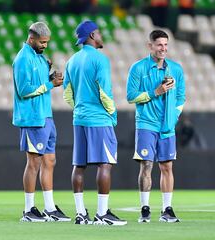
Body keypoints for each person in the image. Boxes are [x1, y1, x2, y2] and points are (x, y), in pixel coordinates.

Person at [63, 20, 127, 226]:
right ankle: (102, 214)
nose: (100, 36)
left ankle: (81, 214)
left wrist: (79, 109)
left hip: (79, 118)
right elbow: (104, 91)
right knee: (104, 164)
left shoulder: (71, 60)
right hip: (99, 119)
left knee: (79, 165)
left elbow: (67, 94)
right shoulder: (100, 60)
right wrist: (113, 113)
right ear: (91, 35)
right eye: (98, 32)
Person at [12, 22, 70, 223]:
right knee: (34, 162)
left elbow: (42, 85)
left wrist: (52, 78)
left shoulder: (40, 58)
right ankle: (28, 210)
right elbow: (24, 90)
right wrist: (49, 83)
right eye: (42, 42)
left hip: (45, 115)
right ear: (32, 38)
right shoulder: (22, 59)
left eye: (46, 42)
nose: (45, 45)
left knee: (49, 161)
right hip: (32, 118)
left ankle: (50, 208)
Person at [126, 30, 186, 223]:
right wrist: (155, 92)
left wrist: (173, 117)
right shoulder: (138, 68)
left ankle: (167, 210)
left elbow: (181, 98)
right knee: (146, 165)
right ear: (150, 46)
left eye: (166, 45)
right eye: (159, 45)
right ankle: (145, 209)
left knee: (167, 166)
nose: (163, 49)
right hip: (146, 124)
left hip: (167, 127)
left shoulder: (175, 69)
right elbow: (131, 96)